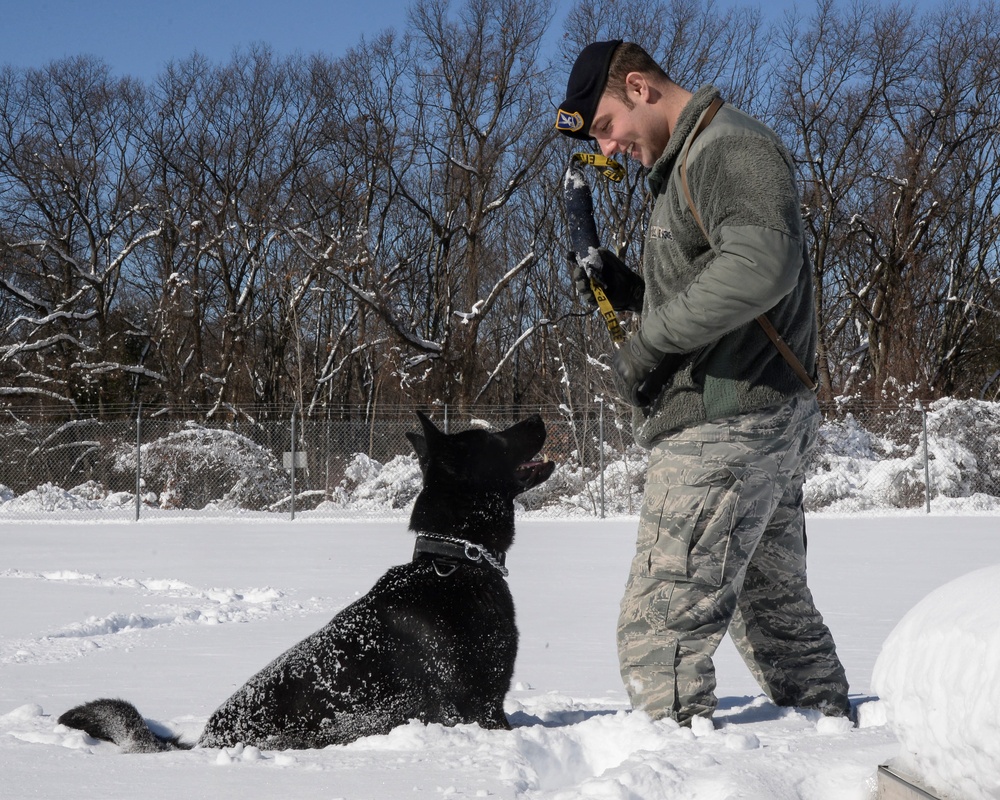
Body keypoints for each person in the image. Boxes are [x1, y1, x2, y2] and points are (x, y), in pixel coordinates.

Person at [555, 40, 851, 726]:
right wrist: (632, 289)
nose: (612, 145)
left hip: (727, 417)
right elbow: (719, 284)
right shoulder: (688, 163)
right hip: (753, 410)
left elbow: (760, 266)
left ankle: (677, 768)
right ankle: (831, 740)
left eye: (606, 125)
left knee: (661, 628)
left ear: (640, 87)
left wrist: (651, 342)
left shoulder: (726, 148)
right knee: (772, 611)